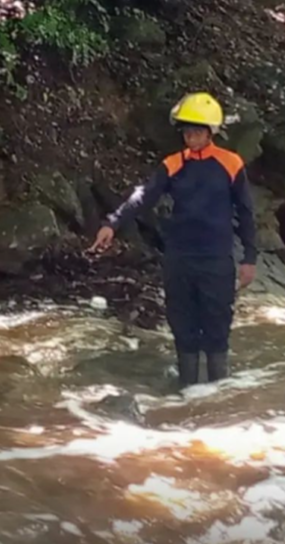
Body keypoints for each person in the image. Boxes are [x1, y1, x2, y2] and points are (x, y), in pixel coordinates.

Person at [89, 92, 257, 387]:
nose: (191, 137)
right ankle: (188, 394)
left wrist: (250, 258)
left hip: (216, 260)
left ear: (211, 132)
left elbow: (245, 213)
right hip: (179, 259)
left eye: (197, 131)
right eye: (186, 131)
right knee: (183, 329)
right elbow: (143, 197)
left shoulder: (231, 164)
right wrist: (112, 223)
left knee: (217, 330)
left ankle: (219, 398)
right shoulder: (173, 164)